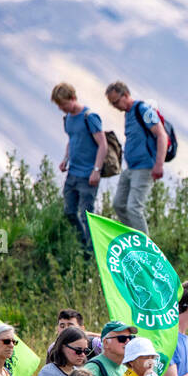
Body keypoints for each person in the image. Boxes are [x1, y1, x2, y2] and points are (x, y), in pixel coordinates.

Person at [52, 82, 108, 256]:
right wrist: (65, 159)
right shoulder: (68, 119)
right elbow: (72, 139)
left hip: (88, 175)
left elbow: (103, 144)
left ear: (73, 98)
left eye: (63, 104)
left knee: (87, 215)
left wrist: (96, 170)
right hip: (73, 173)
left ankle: (92, 253)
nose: (61, 108)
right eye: (59, 105)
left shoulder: (89, 117)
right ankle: (83, 245)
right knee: (69, 212)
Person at [104, 80, 167, 234]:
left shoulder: (143, 109)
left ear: (125, 95)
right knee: (119, 204)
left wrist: (159, 164)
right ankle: (135, 237)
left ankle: (145, 249)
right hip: (131, 168)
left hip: (145, 167)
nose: (115, 107)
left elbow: (161, 134)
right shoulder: (128, 114)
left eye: (116, 102)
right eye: (112, 104)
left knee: (133, 208)